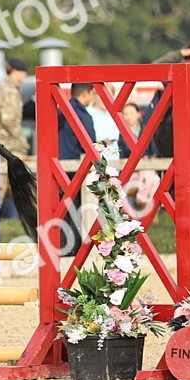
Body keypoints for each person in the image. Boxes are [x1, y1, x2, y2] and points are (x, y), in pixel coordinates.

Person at [0, 58, 31, 217]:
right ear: (18, 72)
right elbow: (9, 119)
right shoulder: (10, 90)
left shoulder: (0, 88)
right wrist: (22, 141)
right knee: (0, 189)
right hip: (7, 146)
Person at [57, 82, 98, 256]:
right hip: (75, 172)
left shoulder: (59, 112)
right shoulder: (84, 116)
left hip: (56, 169)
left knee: (59, 211)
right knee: (76, 211)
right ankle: (73, 251)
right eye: (93, 94)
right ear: (86, 94)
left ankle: (59, 248)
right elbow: (89, 146)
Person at [118, 103, 160, 215]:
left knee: (152, 177)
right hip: (131, 173)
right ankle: (146, 198)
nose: (128, 117)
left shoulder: (146, 131)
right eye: (125, 114)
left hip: (146, 173)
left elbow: (154, 151)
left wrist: (149, 158)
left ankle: (142, 198)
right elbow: (121, 156)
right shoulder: (121, 134)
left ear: (138, 114)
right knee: (152, 177)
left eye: (131, 113)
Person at [86, 83, 121, 161]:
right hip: (95, 165)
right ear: (95, 95)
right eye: (102, 96)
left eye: (109, 96)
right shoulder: (87, 114)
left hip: (116, 164)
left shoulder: (115, 115)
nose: (106, 99)